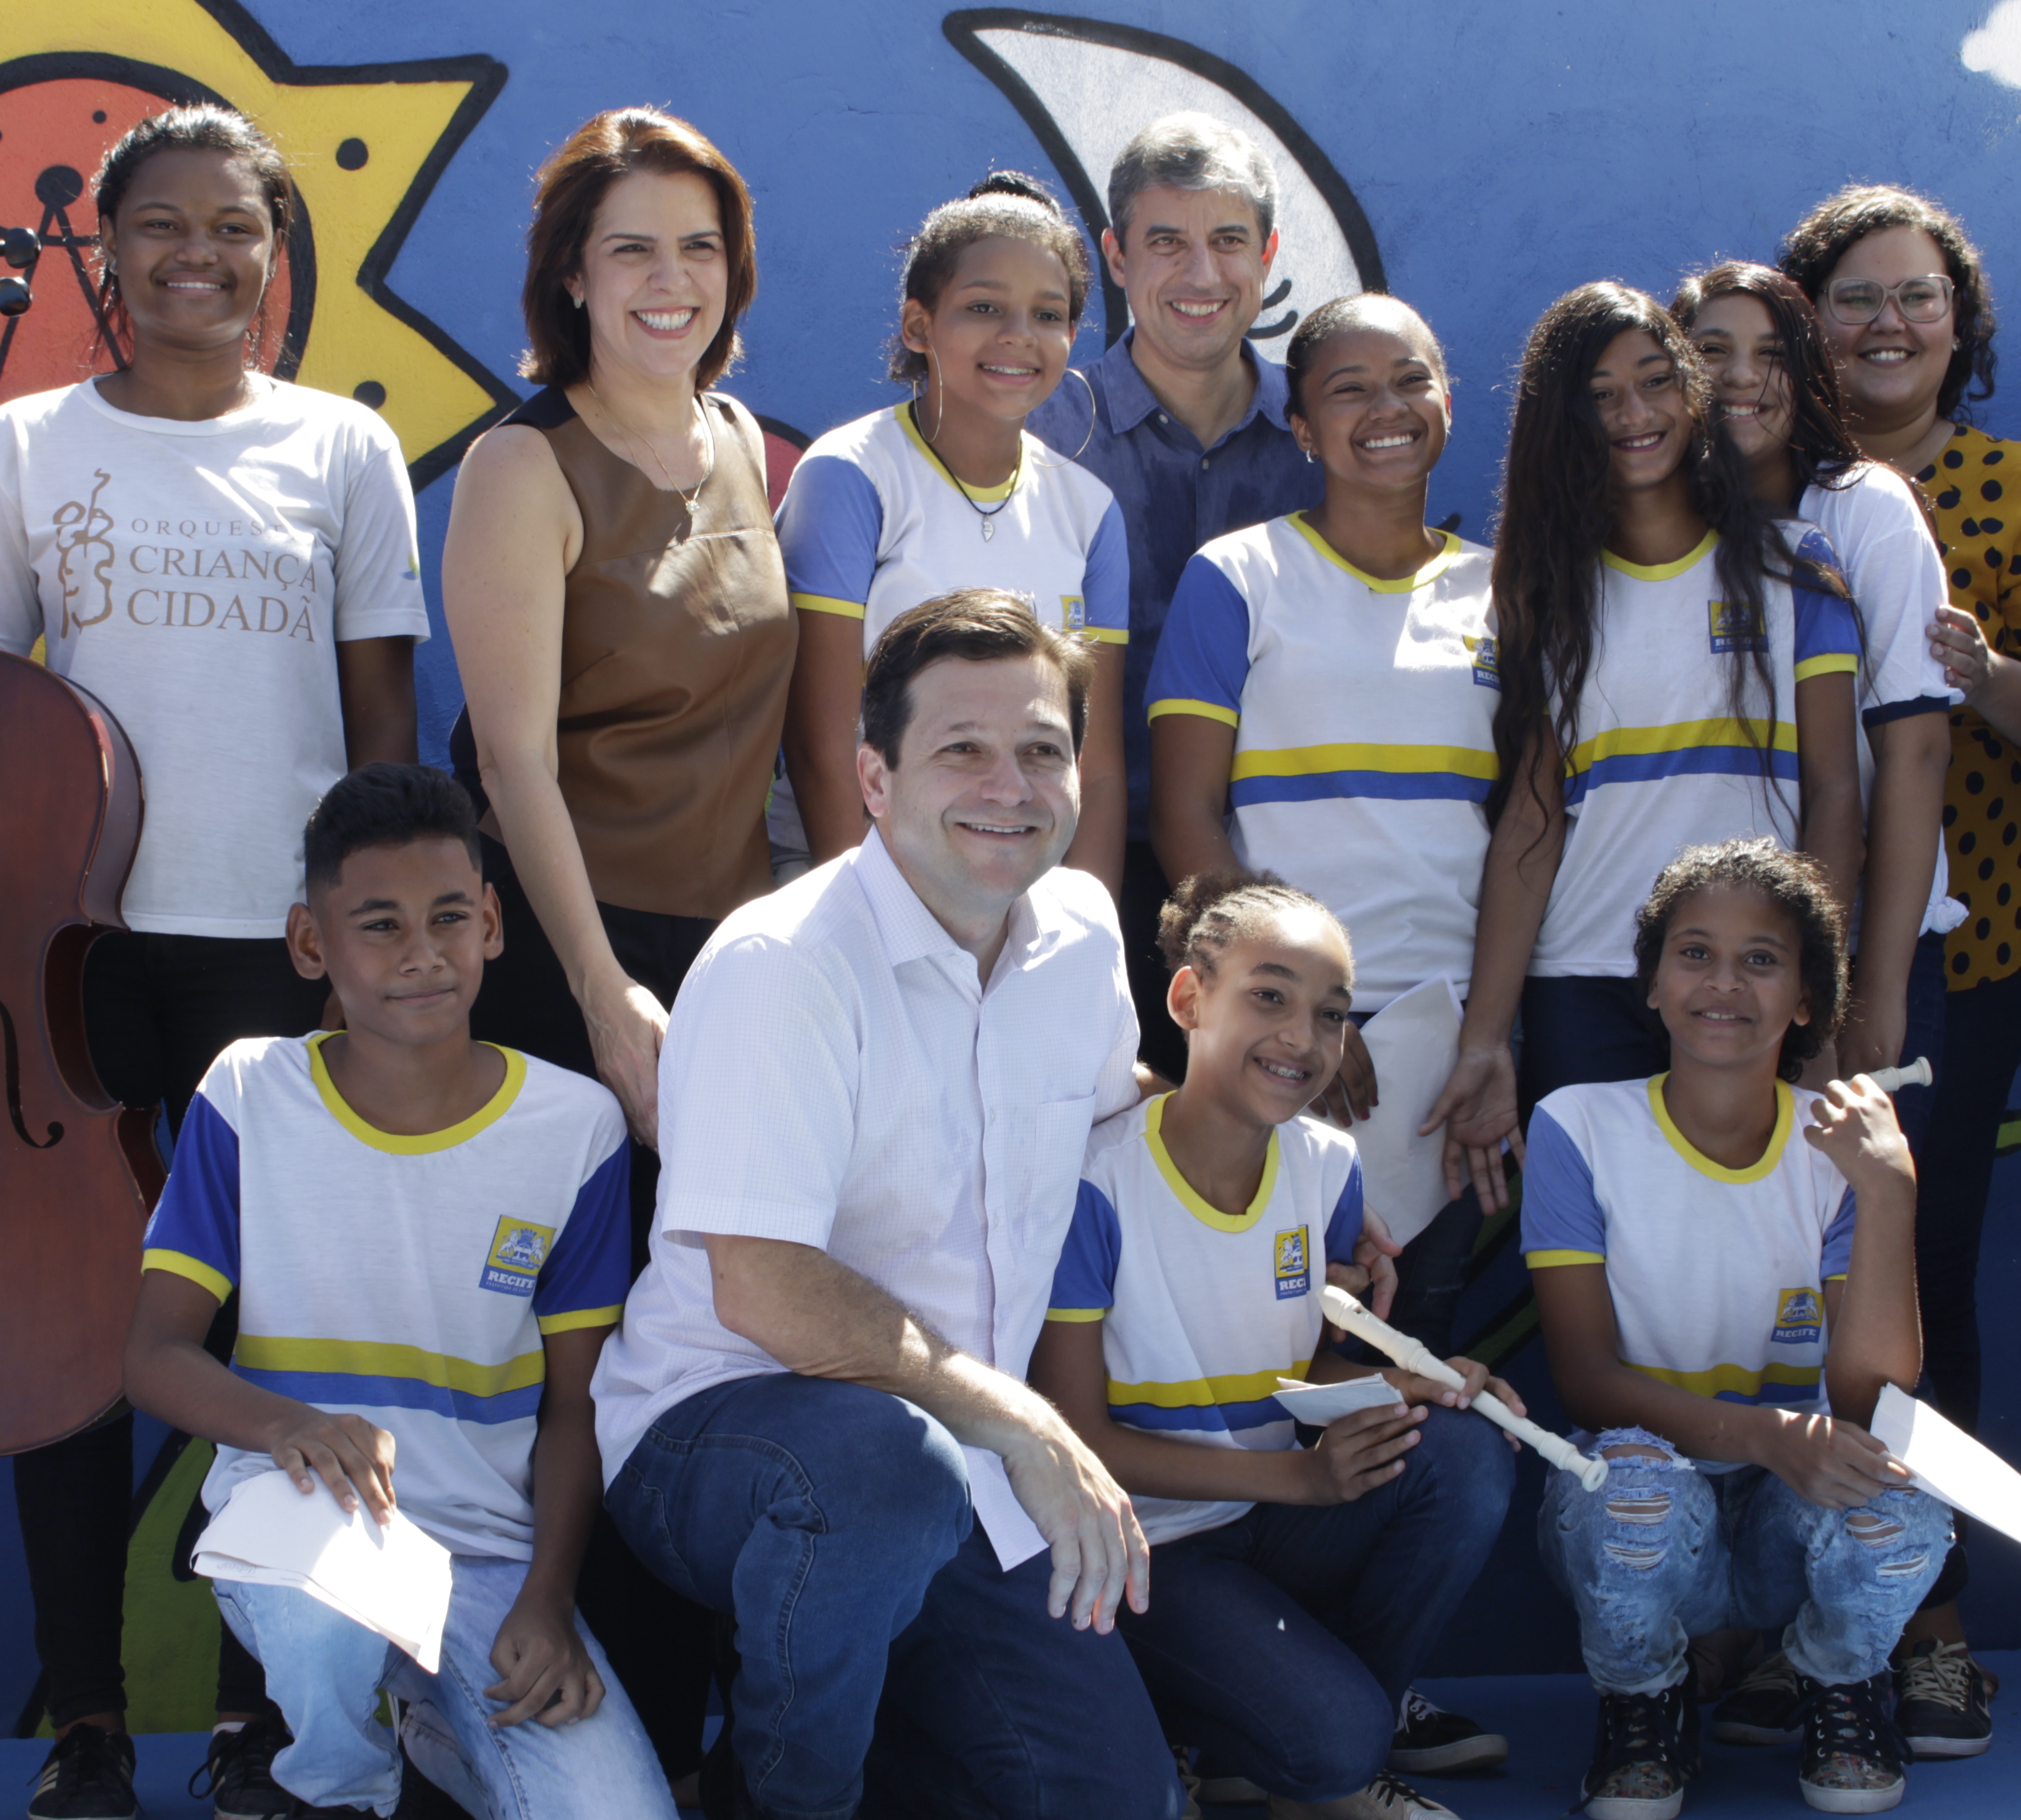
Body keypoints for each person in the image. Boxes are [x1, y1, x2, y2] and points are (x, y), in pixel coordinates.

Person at [0, 103, 426, 1820]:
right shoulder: (26, 445)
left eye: (235, 228)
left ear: (277, 251)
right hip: (75, 971)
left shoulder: (343, 449)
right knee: (71, 1343)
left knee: (271, 1340)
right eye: (161, 227)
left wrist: (376, 947)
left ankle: (263, 1722)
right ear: (106, 254)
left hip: (278, 954)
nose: (200, 256)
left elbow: (385, 737)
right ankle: (87, 1721)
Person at [591, 591, 1181, 1820]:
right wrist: (1022, 1419)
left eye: (1041, 749)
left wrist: (1298, 1188)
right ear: (872, 774)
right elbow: (764, 1290)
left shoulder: (1078, 930)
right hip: (721, 1440)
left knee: (1114, 1802)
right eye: (960, 747)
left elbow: (1105, 1103)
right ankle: (779, 1802)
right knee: (882, 1469)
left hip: (961, 1463)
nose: (1006, 783)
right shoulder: (785, 964)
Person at [436, 104, 795, 1784]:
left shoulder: (746, 448)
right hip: (572, 967)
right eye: (632, 248)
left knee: (695, 1363)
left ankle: (681, 1719)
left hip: (723, 976)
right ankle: (543, 1729)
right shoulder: (524, 464)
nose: (670, 280)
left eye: (699, 248)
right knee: (572, 1355)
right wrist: (605, 999)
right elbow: (512, 762)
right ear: (570, 275)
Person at [123, 764, 669, 1820]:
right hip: (297, 1519)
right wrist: (293, 1424)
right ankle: (341, 1789)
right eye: (378, 925)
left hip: (486, 1562)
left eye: (448, 917)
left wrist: (548, 1598)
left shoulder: (575, 1129)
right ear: (308, 944)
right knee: (325, 1622)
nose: (421, 952)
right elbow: (152, 1353)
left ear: (493, 922)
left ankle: (435, 1733)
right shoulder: (248, 1092)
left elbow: (573, 1406)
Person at [1780, 182, 2021, 1761]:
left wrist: (1981, 672)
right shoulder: (1758, 485)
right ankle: (1753, 1624)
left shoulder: (2009, 486)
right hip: (1747, 960)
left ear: (1957, 322)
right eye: (1852, 298)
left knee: (1915, 1285)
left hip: (1955, 954)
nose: (1883, 323)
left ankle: (1923, 1627)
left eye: (1913, 297)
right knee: (1746, 1289)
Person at [1032, 869, 1522, 1820]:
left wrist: (1415, 1384)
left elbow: (1303, 1370)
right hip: (1152, 1551)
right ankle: (1295, 1744)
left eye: (1332, 1016)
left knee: (1460, 1453)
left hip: (1271, 1522)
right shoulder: (1095, 1187)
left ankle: (1304, 1756)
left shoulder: (1329, 1165)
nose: (1303, 1039)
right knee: (1333, 1738)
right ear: (1188, 998)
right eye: (1270, 997)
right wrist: (1302, 1482)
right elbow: (1076, 1442)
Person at [1522, 840, 1945, 1819]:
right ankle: (1644, 1702)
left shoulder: (1839, 1149)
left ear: (1806, 1000)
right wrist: (1762, 1435)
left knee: (1905, 1507)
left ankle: (1834, 1679)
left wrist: (1888, 1192)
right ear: (1655, 987)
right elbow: (1584, 1380)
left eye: (1762, 959)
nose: (1724, 982)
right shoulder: (1577, 1128)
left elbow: (1872, 1401)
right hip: (1650, 1502)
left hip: (1786, 1521)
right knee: (1633, 1494)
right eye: (1694, 953)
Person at [1145, 292, 1509, 1352]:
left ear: (1443, 399)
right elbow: (1183, 811)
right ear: (1299, 428)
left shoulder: (1504, 593)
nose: (1383, 407)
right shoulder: (1237, 577)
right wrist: (1294, 1015)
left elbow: (1528, 832)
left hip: (1439, 1059)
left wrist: (1488, 1035)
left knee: (1405, 1338)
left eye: (1407, 379)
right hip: (1284, 1044)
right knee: (1273, 1346)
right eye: (1345, 389)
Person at [1441, 282, 1867, 1144]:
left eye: (1655, 379)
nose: (1634, 412)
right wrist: (1487, 1037)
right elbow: (1532, 817)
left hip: (1749, 980)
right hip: (1585, 982)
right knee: (1599, 1259)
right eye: (1599, 396)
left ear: (1691, 389)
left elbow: (1834, 792)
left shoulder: (1796, 566)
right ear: (1561, 421)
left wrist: (1819, 1005)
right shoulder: (1544, 596)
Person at [1028, 112, 1325, 1078]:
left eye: (1228, 241)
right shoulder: (1041, 432)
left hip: (1294, 866)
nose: (1201, 275)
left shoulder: (1332, 437)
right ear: (1115, 256)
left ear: (1270, 254)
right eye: (1167, 243)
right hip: (1079, 870)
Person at [774, 171, 1129, 893]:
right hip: (853, 884)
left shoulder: (1091, 512)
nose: (1017, 336)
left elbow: (1098, 762)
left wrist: (1086, 936)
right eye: (984, 307)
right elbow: (820, 745)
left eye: (1048, 314)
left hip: (1020, 894)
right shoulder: (851, 477)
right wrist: (871, 928)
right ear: (917, 325)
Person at [1672, 262, 1960, 1138]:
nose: (1741, 377)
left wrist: (1862, 992)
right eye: (1710, 350)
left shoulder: (1860, 507)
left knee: (1870, 1244)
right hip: (1710, 960)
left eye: (1772, 354)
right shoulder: (1652, 530)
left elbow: (1914, 754)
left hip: (1865, 948)